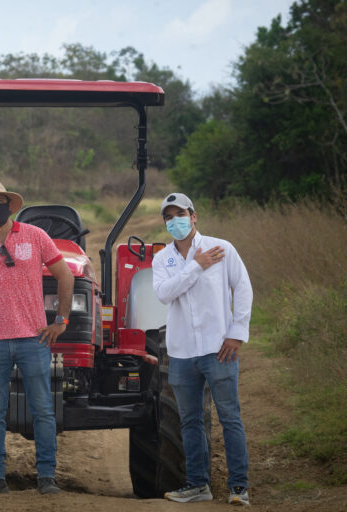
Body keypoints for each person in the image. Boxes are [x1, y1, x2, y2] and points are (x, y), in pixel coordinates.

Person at [0, 179, 73, 496]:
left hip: (33, 339)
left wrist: (60, 319)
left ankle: (47, 477)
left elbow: (65, 274)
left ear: (9, 204)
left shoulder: (35, 237)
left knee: (43, 410)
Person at [152, 193, 253, 507]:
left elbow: (244, 288)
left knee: (229, 417)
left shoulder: (221, 249)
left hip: (218, 348)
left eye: (179, 214)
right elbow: (165, 294)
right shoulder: (162, 259)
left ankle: (239, 488)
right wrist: (195, 267)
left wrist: (236, 333)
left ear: (193, 216)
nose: (175, 221)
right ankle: (198, 485)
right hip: (181, 352)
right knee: (190, 421)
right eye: (168, 217)